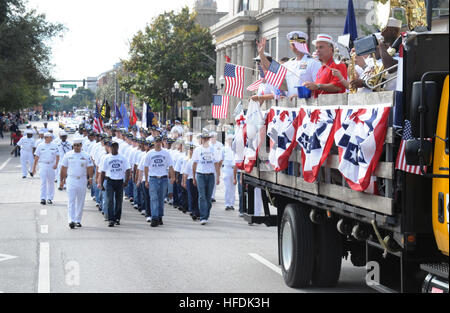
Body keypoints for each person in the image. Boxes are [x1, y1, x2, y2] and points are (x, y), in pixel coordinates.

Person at [257, 31, 321, 101]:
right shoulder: (289, 64)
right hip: (291, 105)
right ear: (290, 46)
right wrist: (261, 54)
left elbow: (318, 86)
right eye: (293, 44)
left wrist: (300, 95)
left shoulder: (313, 62)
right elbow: (271, 68)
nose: (296, 47)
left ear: (304, 44)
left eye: (299, 44)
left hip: (307, 104)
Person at [60, 137, 94, 229]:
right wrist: (61, 181)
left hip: (82, 180)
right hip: (71, 179)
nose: (76, 147)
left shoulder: (86, 155)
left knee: (80, 201)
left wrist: (90, 178)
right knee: (71, 200)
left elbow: (90, 167)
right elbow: (63, 168)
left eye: (78, 145)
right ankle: (71, 220)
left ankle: (78, 220)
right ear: (73, 146)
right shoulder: (68, 155)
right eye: (74, 145)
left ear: (81, 146)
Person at [144, 136, 175, 227]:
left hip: (163, 178)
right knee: (153, 198)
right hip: (153, 178)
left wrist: (172, 177)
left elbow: (170, 166)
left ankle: (160, 216)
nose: (157, 143)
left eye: (159, 141)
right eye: (156, 141)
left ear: (161, 142)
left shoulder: (166, 153)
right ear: (154, 143)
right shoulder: (149, 154)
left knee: (161, 198)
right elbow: (146, 167)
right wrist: (146, 180)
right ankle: (154, 218)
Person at [303, 34, 348, 98]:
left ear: (331, 48)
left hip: (333, 105)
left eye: (321, 47)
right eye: (316, 48)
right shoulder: (322, 68)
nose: (317, 50)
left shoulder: (338, 64)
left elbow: (338, 87)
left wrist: (317, 86)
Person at [99, 142, 131, 227]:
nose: (114, 148)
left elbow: (128, 170)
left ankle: (117, 218)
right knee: (110, 201)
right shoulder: (106, 158)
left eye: (115, 147)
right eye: (112, 147)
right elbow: (102, 172)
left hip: (119, 181)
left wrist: (126, 181)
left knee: (119, 201)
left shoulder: (123, 157)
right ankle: (111, 219)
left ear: (118, 147)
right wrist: (101, 184)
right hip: (110, 181)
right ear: (110, 148)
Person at [192, 132, 221, 225]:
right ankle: (203, 216)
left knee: (208, 197)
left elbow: (216, 163)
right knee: (202, 196)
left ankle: (206, 214)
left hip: (210, 174)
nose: (204, 140)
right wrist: (193, 177)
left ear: (208, 139)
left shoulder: (213, 149)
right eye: (203, 138)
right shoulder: (197, 150)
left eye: (206, 138)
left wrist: (218, 176)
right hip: (200, 174)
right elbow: (194, 164)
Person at [32, 133, 59, 205]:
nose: (51, 138)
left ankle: (50, 198)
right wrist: (34, 168)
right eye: (50, 137)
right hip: (43, 165)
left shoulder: (54, 145)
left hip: (51, 165)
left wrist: (56, 164)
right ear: (46, 138)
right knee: (43, 182)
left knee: (51, 182)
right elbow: (36, 158)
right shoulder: (40, 146)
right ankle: (43, 198)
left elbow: (57, 156)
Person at [182, 142, 199, 221]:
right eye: (191, 150)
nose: (192, 151)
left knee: (198, 196)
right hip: (190, 179)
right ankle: (192, 211)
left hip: (198, 179)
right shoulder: (188, 160)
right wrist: (184, 182)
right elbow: (185, 173)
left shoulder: (198, 160)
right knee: (191, 197)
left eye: (193, 150)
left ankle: (197, 211)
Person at [222, 135, 237, 211]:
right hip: (227, 169)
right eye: (229, 139)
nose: (230, 141)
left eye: (231, 139)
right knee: (227, 187)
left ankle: (231, 204)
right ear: (226, 140)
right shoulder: (224, 149)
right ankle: (227, 204)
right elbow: (220, 160)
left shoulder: (235, 149)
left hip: (234, 169)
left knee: (233, 188)